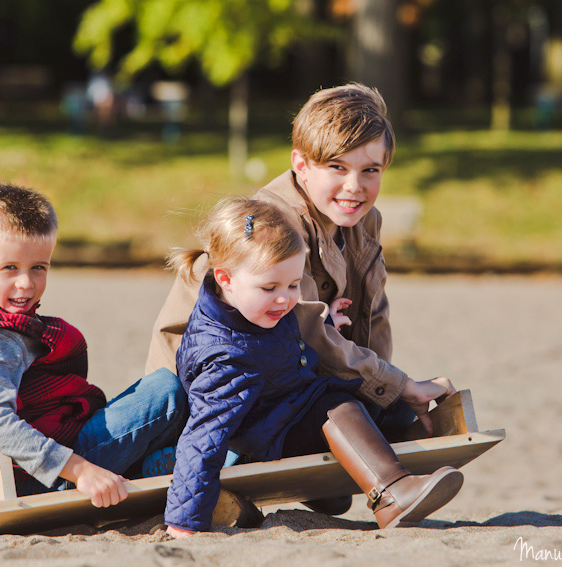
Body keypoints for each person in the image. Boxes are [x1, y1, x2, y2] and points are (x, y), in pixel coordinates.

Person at [146, 82, 458, 516]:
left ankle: (392, 468)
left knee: (378, 428)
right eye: (337, 167)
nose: (355, 186)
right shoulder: (274, 224)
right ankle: (392, 493)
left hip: (280, 378)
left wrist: (388, 396)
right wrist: (401, 385)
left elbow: (373, 315)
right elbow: (308, 329)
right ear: (301, 165)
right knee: (340, 405)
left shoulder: (362, 221)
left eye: (371, 170)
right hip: (220, 394)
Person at [162, 199, 463, 538]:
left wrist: (328, 321)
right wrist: (183, 522)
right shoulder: (223, 356)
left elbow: (286, 344)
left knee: (385, 404)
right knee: (336, 406)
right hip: (273, 437)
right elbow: (204, 436)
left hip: (290, 406)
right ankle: (393, 494)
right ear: (225, 278)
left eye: (293, 285)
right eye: (270, 287)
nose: (285, 299)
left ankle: (383, 468)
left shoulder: (254, 309)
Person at [0, 185, 187, 507]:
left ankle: (152, 464)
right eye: (10, 268)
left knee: (151, 405)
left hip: (44, 457)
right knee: (165, 392)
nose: (27, 283)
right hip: (39, 476)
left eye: (39, 267)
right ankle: (197, 458)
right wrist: (82, 471)